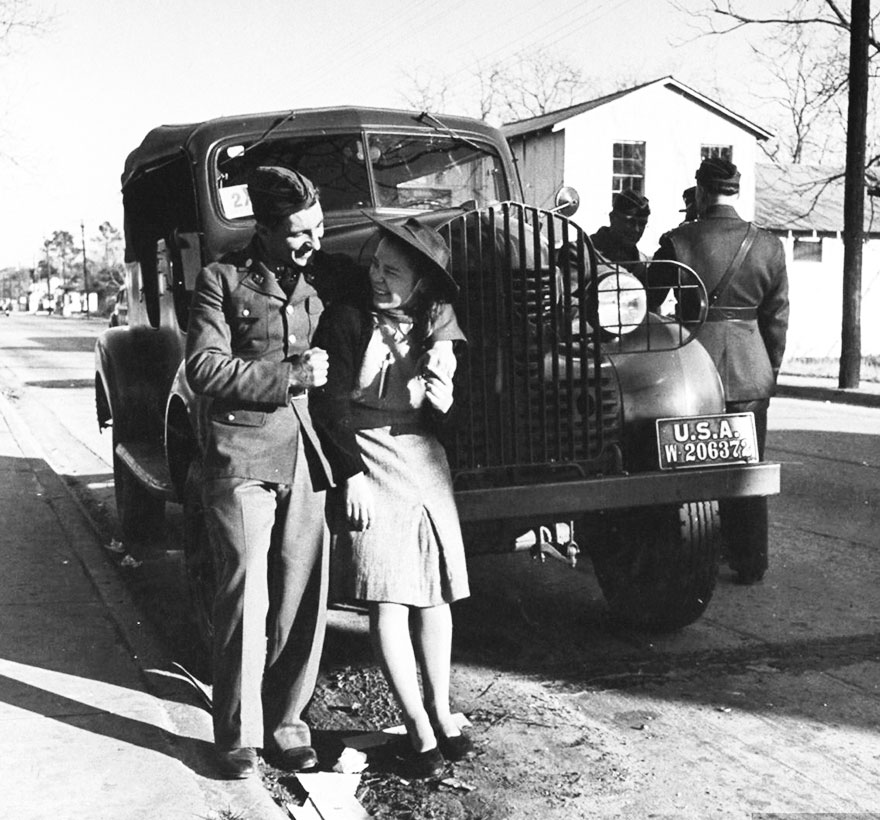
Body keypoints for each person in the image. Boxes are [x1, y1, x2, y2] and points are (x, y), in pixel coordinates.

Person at [310, 215, 474, 779]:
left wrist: (445, 403)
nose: (378, 278)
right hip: (368, 454)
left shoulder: (435, 321)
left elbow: (454, 416)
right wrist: (349, 474)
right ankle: (419, 730)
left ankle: (443, 714)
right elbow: (328, 403)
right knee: (388, 599)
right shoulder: (347, 317)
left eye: (393, 272)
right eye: (376, 265)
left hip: (422, 458)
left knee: (435, 596)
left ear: (421, 282)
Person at [185, 166, 334, 779]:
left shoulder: (322, 276)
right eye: (299, 232)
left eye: (318, 228)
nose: (313, 241)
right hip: (242, 452)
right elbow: (203, 367)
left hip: (305, 451)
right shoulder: (221, 279)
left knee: (302, 592)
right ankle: (239, 734)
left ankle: (287, 724)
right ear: (265, 230)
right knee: (247, 589)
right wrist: (288, 376)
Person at [649, 157, 789, 585]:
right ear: (736, 191)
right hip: (751, 371)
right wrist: (768, 370)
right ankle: (750, 561)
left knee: (689, 467)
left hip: (692, 370)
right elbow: (776, 319)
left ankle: (694, 555)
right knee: (747, 468)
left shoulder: (677, 240)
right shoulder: (769, 245)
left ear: (702, 191)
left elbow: (647, 305)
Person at [589, 188, 652, 272]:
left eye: (642, 224)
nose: (636, 230)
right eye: (630, 222)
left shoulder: (642, 262)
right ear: (612, 218)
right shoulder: (585, 253)